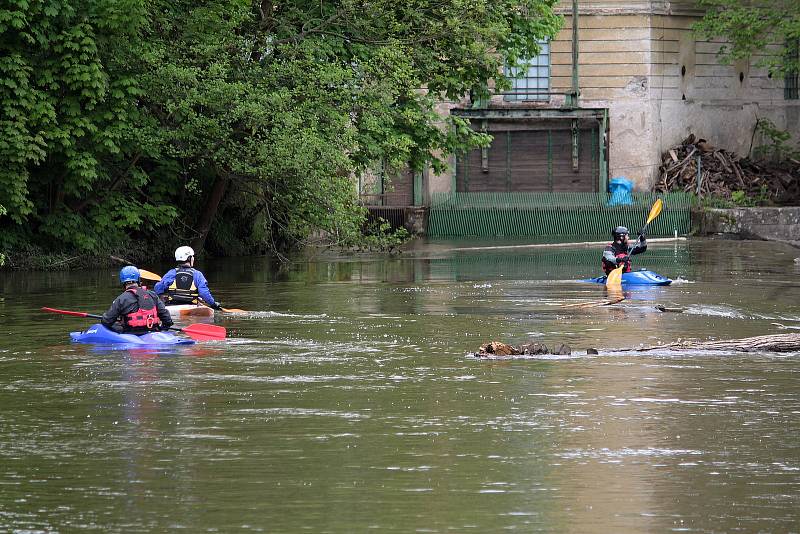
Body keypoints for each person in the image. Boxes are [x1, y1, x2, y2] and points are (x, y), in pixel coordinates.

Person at [102, 266, 173, 334]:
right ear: (138, 280)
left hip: (132, 334)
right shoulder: (152, 295)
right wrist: (162, 330)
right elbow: (167, 320)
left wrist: (113, 322)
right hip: (153, 331)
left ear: (123, 282)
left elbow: (107, 321)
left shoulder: (121, 299)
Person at [154, 246, 223, 310]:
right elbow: (204, 293)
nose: (193, 258)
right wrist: (213, 304)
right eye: (192, 256)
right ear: (189, 258)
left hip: (172, 307)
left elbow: (158, 289)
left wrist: (165, 295)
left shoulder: (171, 273)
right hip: (192, 307)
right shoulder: (197, 274)